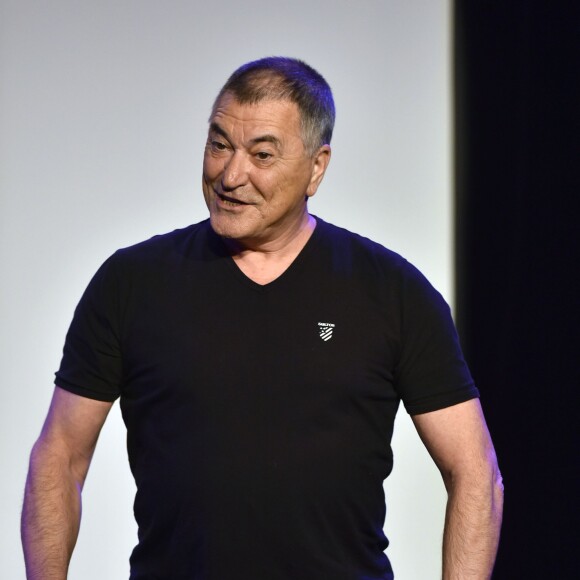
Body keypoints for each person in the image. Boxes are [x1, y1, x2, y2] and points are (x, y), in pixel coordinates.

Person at [22, 57, 503, 580]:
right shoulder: (131, 283)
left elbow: (475, 472)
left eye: (262, 154)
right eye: (219, 144)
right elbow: (61, 456)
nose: (231, 175)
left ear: (316, 169)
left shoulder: (392, 293)